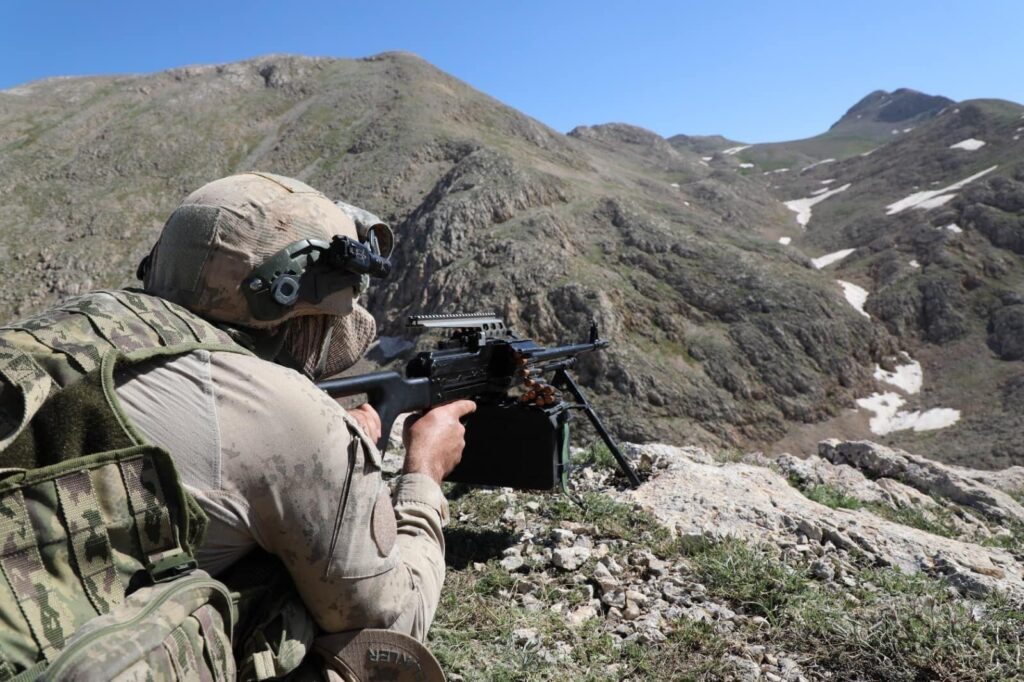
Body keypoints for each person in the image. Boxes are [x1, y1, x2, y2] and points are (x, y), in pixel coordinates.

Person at [0, 172, 469, 676]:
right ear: (288, 288)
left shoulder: (79, 327)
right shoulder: (281, 411)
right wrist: (424, 475)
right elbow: (390, 623)